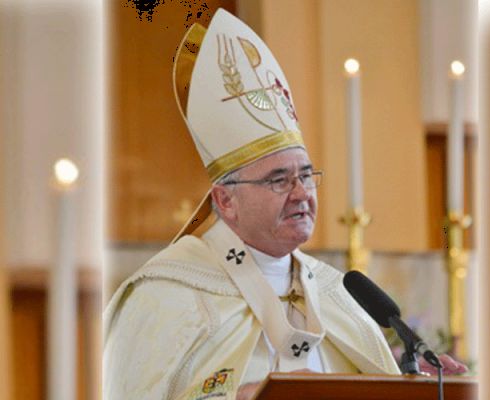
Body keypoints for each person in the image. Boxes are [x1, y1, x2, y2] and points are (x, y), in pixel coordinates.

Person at [103, 9, 465, 400]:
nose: (301, 193)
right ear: (226, 200)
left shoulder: (336, 295)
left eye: (306, 176)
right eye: (279, 180)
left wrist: (410, 384)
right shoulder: (164, 297)